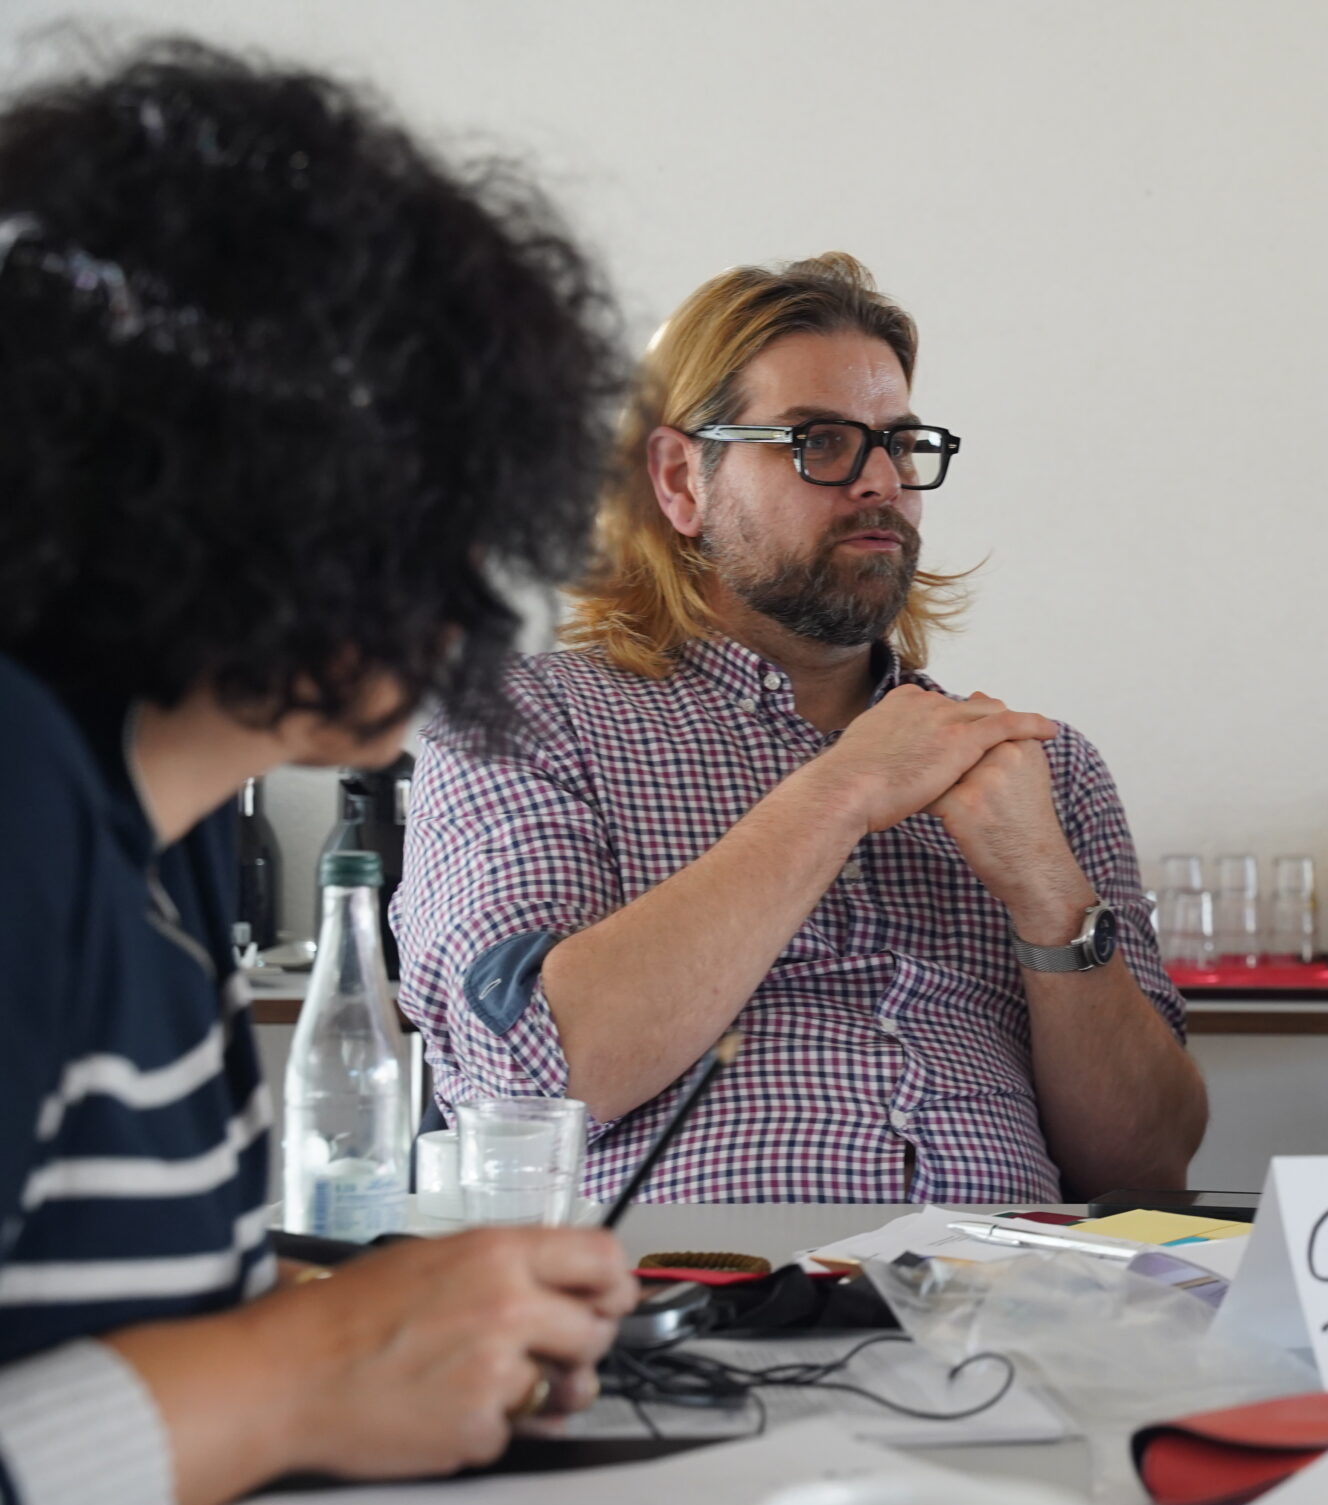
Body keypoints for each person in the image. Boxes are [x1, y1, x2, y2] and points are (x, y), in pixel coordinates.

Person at [0, 42, 638, 1505]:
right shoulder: (17, 796)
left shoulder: (159, 829)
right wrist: (297, 1372)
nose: (473, 600)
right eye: (441, 515)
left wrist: (391, 1337)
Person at [395, 254, 1205, 1205]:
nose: (881, 483)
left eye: (899, 444)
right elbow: (531, 1081)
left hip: (1008, 1285)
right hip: (691, 1286)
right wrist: (840, 791)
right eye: (819, 441)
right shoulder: (527, 722)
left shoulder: (1042, 767)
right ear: (680, 479)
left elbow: (1145, 1170)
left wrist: (1048, 893)